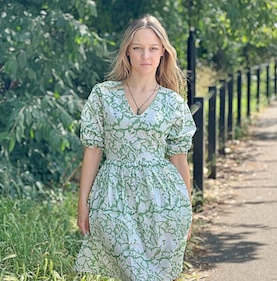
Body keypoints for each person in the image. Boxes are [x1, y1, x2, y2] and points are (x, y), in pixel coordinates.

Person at [74, 14, 196, 281]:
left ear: (163, 52)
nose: (146, 56)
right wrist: (83, 204)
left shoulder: (172, 103)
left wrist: (187, 208)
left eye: (153, 48)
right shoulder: (103, 95)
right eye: (138, 48)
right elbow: (93, 150)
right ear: (127, 51)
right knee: (134, 271)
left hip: (162, 201)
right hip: (112, 197)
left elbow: (179, 158)